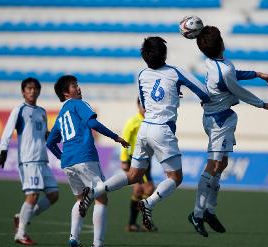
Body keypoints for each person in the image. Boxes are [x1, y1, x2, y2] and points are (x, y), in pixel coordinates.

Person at [79, 36, 211, 231]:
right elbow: (204, 92)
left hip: (145, 127)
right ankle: (148, 204)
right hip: (163, 129)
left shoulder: (142, 75)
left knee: (133, 175)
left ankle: (96, 190)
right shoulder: (175, 72)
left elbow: (145, 101)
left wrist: (172, 93)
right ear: (165, 54)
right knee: (175, 178)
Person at [188, 25, 268, 237]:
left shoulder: (211, 61)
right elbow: (238, 88)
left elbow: (232, 75)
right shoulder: (224, 69)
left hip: (219, 118)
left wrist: (257, 73)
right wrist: (262, 104)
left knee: (222, 164)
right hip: (218, 121)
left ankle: (210, 211)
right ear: (222, 43)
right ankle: (197, 213)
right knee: (212, 166)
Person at [46, 75, 129, 247]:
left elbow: (50, 142)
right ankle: (98, 246)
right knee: (102, 199)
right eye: (74, 86)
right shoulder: (79, 104)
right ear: (67, 92)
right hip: (85, 157)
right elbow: (92, 124)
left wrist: (63, 157)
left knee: (80, 199)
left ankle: (73, 236)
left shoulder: (61, 115)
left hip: (68, 162)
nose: (78, 88)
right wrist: (116, 137)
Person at [0, 77, 59, 246]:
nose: (32, 91)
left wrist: (54, 137)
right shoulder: (19, 110)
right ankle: (21, 234)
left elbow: (44, 133)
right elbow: (8, 130)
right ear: (23, 91)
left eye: (35, 88)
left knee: (54, 195)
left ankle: (22, 217)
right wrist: (3, 151)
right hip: (28, 159)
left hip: (42, 160)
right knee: (33, 195)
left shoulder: (42, 111)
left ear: (38, 91)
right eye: (29, 88)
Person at [120, 97, 157, 232]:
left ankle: (132, 223)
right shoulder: (133, 121)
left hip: (146, 159)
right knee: (149, 188)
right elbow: (125, 140)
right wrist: (124, 159)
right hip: (135, 159)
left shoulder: (150, 121)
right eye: (144, 105)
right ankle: (146, 222)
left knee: (138, 190)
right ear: (138, 105)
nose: (146, 108)